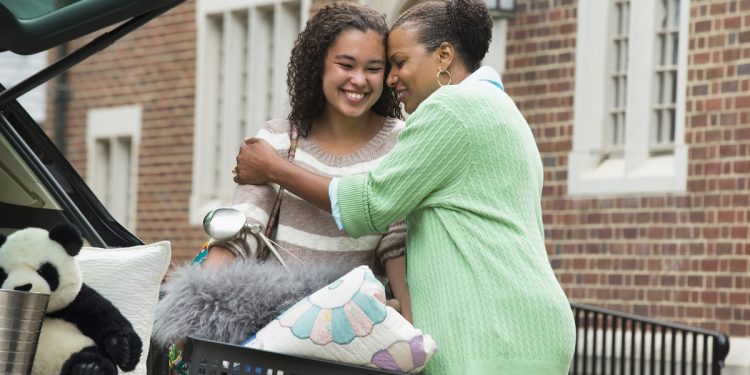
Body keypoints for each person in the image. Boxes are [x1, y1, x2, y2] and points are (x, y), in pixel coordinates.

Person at [232, 0, 576, 374]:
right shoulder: (503, 110)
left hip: (486, 328)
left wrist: (273, 167)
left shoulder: (451, 109)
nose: (392, 79)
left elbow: (369, 204)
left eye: (399, 62)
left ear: (444, 55)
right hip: (532, 325)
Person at [202, 4, 412, 317]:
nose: (359, 80)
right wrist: (200, 306)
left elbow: (395, 244)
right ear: (319, 65)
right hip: (275, 329)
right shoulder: (277, 138)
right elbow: (240, 231)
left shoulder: (401, 141)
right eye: (346, 64)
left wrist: (411, 330)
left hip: (356, 331)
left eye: (373, 68)